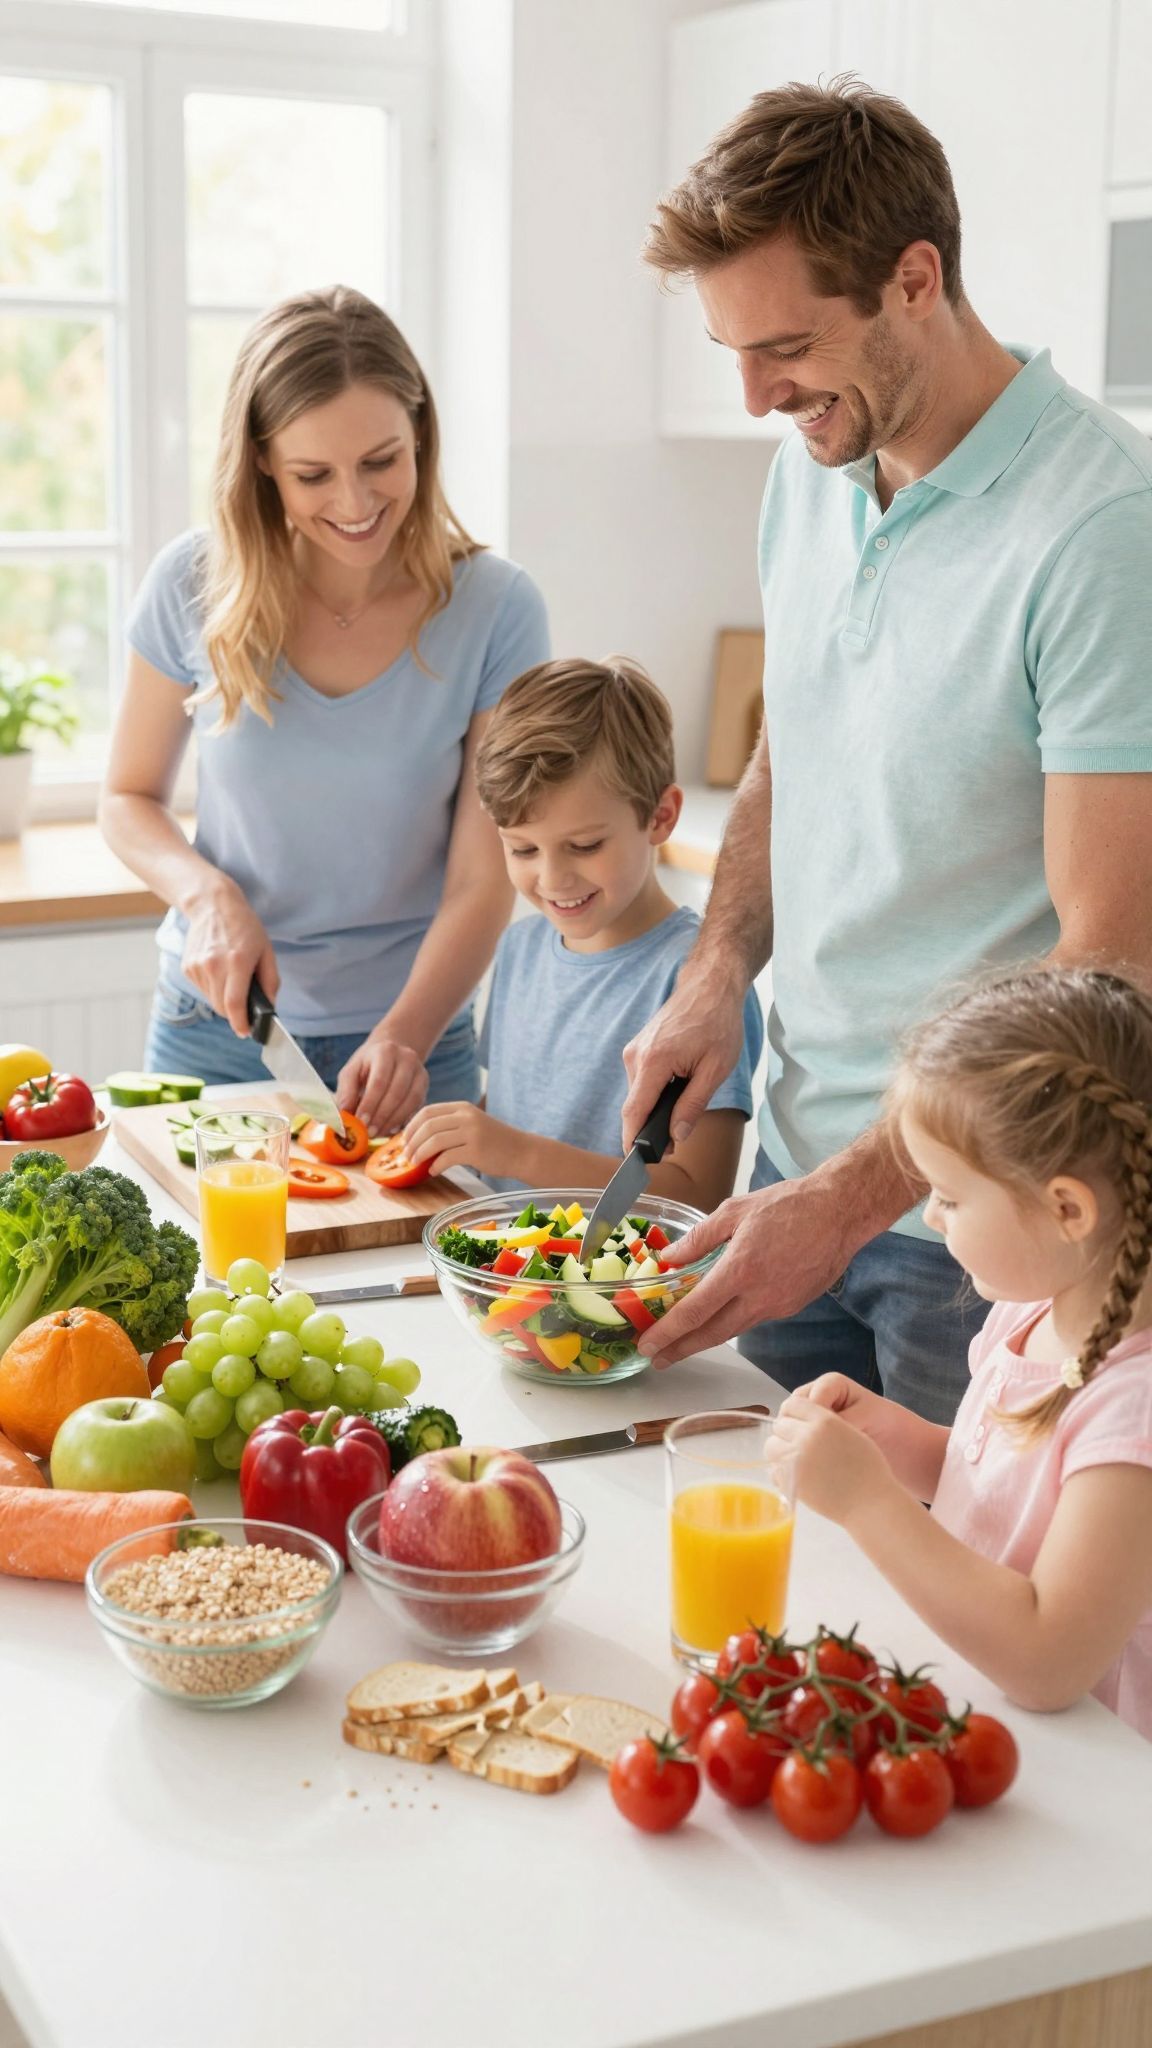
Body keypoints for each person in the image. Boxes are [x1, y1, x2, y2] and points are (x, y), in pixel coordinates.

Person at [621, 80, 1152, 1420]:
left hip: (982, 1235)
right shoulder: (810, 464)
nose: (754, 396)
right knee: (758, 1609)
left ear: (916, 279)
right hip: (790, 1177)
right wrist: (717, 969)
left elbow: (1110, 962)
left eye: (787, 344)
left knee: (947, 1627)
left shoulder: (1104, 531)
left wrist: (852, 1200)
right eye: (732, 353)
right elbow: (793, 746)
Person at [100, 286, 549, 1133]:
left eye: (382, 460)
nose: (354, 502)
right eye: (314, 474)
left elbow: (482, 876)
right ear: (263, 461)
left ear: (420, 432)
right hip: (218, 1030)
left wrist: (407, 1037)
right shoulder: (191, 584)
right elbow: (125, 800)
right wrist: (207, 899)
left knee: (415, 1269)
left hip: (416, 1044)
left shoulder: (496, 608)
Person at [772, 967, 1152, 1738]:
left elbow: (1051, 1660)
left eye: (947, 1195)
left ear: (1066, 1208)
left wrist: (867, 1501)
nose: (931, 1216)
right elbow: (1010, 1492)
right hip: (979, 1713)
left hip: (1090, 1788)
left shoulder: (1133, 1411)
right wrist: (901, 1450)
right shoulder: (1030, 1306)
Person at [402, 657, 763, 1209]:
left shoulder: (699, 985)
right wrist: (457, 1144)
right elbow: (509, 1118)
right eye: (522, 849)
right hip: (504, 1274)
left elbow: (699, 1195)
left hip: (623, 1288)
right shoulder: (520, 950)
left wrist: (515, 1153)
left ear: (660, 817)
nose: (552, 879)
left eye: (586, 845)